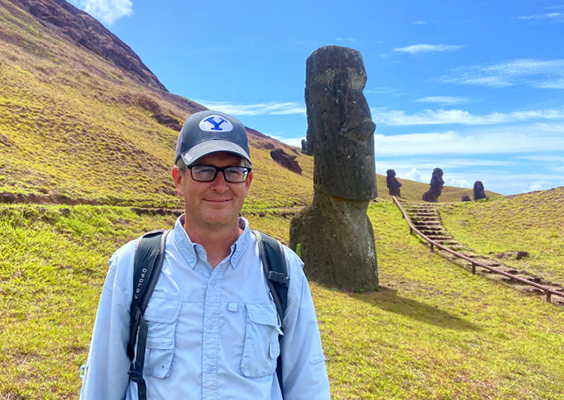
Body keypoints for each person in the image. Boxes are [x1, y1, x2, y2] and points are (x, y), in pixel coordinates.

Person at [79, 110, 331, 399]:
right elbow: (101, 383)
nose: (220, 185)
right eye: (203, 169)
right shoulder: (133, 266)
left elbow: (307, 384)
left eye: (234, 171)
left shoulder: (284, 269)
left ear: (247, 182)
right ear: (178, 179)